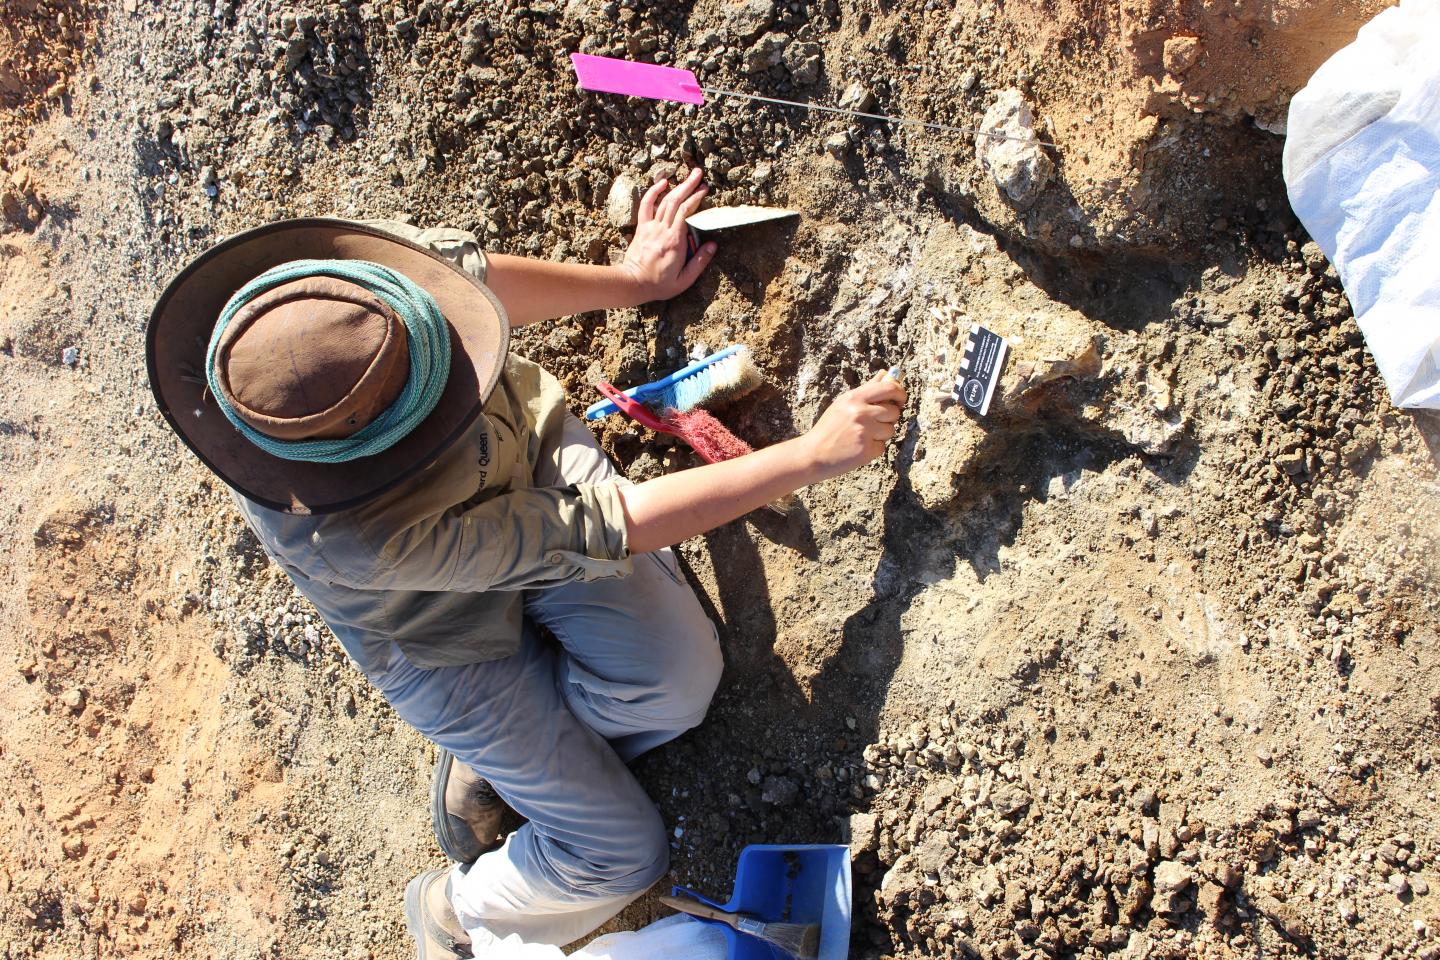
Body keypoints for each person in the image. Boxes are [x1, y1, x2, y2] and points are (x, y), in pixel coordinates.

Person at [145, 169, 907, 957]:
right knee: (621, 855)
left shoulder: (333, 294)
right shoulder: (357, 531)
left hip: (532, 468)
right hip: (440, 636)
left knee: (680, 683)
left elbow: (477, 281)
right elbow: (611, 524)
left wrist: (636, 281)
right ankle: (456, 910)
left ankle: (519, 766)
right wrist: (809, 457)